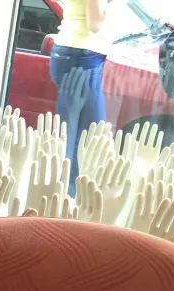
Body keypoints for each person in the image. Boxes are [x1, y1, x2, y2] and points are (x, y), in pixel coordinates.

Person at [50, 0, 111, 186]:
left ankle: (66, 201)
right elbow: (95, 24)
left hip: (80, 54)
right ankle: (62, 201)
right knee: (85, 140)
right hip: (80, 55)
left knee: (85, 140)